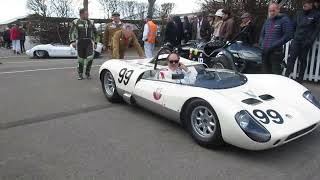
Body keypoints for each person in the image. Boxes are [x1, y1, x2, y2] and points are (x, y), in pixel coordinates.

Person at [285, 0, 320, 83]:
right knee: (291, 59)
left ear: (311, 4)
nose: (304, 4)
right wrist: (293, 36)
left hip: (306, 42)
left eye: (306, 3)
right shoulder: (298, 13)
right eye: (303, 3)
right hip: (296, 40)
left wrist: (310, 40)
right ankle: (286, 77)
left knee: (303, 60)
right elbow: (293, 26)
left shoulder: (316, 14)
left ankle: (300, 80)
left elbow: (317, 29)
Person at [259, 3, 293, 75]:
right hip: (265, 51)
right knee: (265, 73)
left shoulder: (284, 20)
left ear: (278, 10)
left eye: (273, 11)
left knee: (276, 75)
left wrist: (274, 45)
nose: (271, 13)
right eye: (270, 11)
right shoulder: (267, 21)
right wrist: (261, 44)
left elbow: (288, 35)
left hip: (275, 52)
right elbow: (262, 34)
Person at [69, 8, 97, 80]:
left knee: (90, 58)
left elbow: (96, 33)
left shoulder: (91, 22)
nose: (88, 15)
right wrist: (72, 41)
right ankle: (80, 74)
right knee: (81, 60)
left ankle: (87, 73)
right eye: (86, 14)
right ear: (81, 14)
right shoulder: (75, 22)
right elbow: (71, 32)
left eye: (88, 14)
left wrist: (95, 42)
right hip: (80, 42)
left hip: (89, 42)